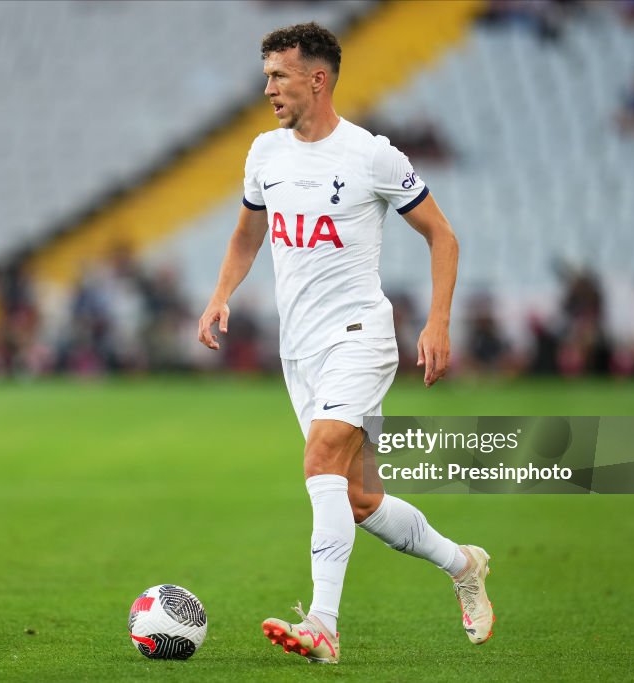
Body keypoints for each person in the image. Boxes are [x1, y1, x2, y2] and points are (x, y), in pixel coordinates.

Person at [196, 23, 494, 665]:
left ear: (317, 78)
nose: (268, 87)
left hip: (360, 337)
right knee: (357, 500)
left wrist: (437, 322)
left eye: (279, 75)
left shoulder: (372, 156)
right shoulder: (264, 154)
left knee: (319, 462)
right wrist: (221, 293)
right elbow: (248, 235)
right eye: (267, 74)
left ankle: (324, 626)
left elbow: (443, 237)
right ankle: (463, 563)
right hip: (299, 352)